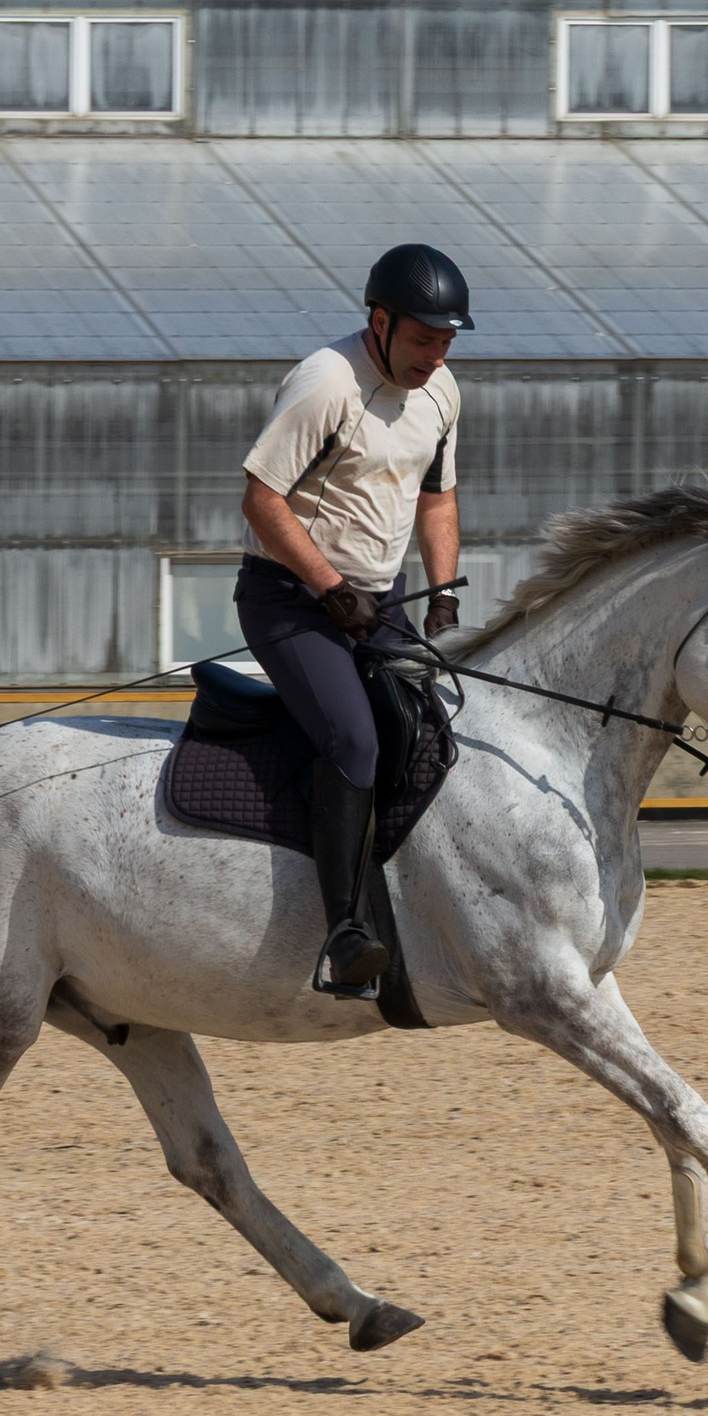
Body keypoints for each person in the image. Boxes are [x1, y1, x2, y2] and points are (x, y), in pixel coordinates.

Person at [236, 243, 470, 997]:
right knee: (354, 737)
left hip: (380, 601)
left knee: (430, 734)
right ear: (380, 320)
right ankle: (343, 933)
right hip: (288, 598)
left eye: (447, 342)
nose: (435, 356)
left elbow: (436, 496)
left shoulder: (442, 393)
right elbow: (261, 500)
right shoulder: (325, 382)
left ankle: (414, 901)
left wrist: (442, 594)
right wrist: (332, 588)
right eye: (423, 339)